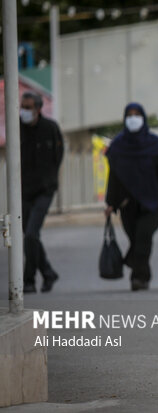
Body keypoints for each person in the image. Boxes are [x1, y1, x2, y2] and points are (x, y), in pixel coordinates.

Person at [104, 103, 158, 291]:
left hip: (153, 202)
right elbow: (114, 176)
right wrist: (111, 202)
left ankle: (138, 278)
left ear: (143, 118)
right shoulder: (118, 146)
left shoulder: (155, 144)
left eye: (137, 114)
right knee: (136, 241)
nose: (133, 118)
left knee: (143, 237)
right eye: (129, 114)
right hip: (128, 204)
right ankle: (143, 272)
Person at [19, 91, 64, 293]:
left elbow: (58, 156)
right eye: (23, 106)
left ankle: (28, 280)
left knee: (30, 235)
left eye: (28, 108)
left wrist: (49, 180)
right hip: (23, 190)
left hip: (44, 190)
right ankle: (48, 273)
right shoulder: (17, 129)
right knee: (31, 236)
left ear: (38, 109)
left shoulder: (50, 128)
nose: (24, 111)